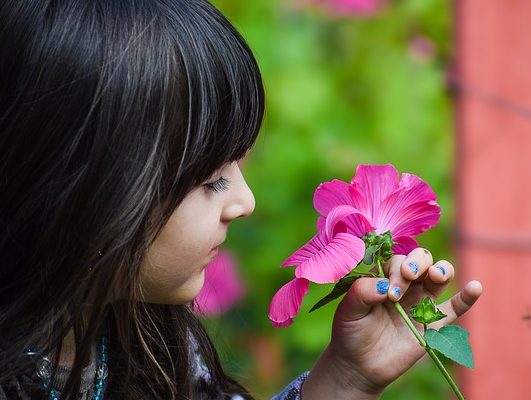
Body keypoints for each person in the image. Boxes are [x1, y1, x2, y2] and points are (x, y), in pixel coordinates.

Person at [0, 0, 483, 399]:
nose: (244, 201)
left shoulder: (153, 343)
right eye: (211, 180)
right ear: (75, 183)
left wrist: (346, 377)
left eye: (238, 166)